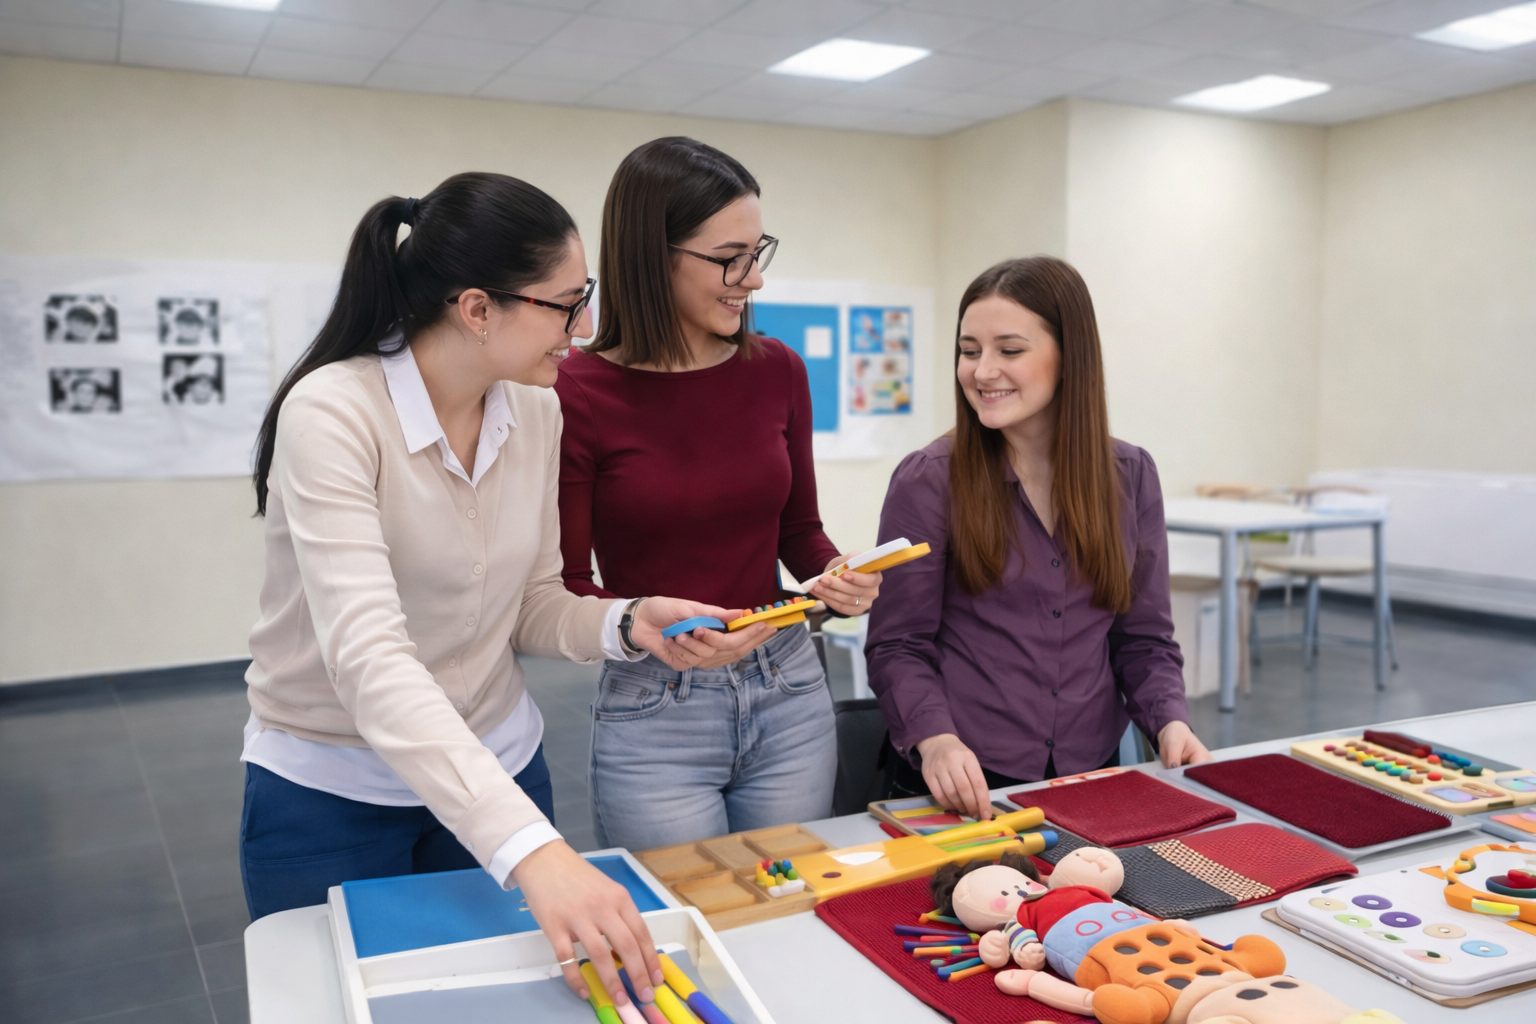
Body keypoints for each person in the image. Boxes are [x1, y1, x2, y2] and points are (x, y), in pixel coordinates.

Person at [242, 172, 745, 1011]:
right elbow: (369, 661)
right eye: (564, 304)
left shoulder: (535, 411)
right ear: (478, 309)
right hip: (330, 791)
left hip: (497, 764)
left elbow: (534, 601)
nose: (583, 330)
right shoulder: (333, 413)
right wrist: (533, 852)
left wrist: (630, 622)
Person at [554, 137, 882, 851]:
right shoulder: (574, 391)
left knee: (786, 919)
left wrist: (834, 575)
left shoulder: (778, 371)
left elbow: (799, 530)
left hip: (790, 687)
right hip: (656, 705)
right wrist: (650, 622)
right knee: (680, 930)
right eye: (729, 258)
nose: (752, 280)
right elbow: (570, 585)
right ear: (653, 253)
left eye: (757, 253)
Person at [866, 256, 1210, 820]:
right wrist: (937, 740)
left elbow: (1143, 639)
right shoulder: (929, 478)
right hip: (962, 782)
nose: (982, 371)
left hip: (1092, 772)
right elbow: (898, 645)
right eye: (969, 351)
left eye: (1009, 350)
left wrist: (1171, 722)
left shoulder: (1131, 474)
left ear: (1069, 358)